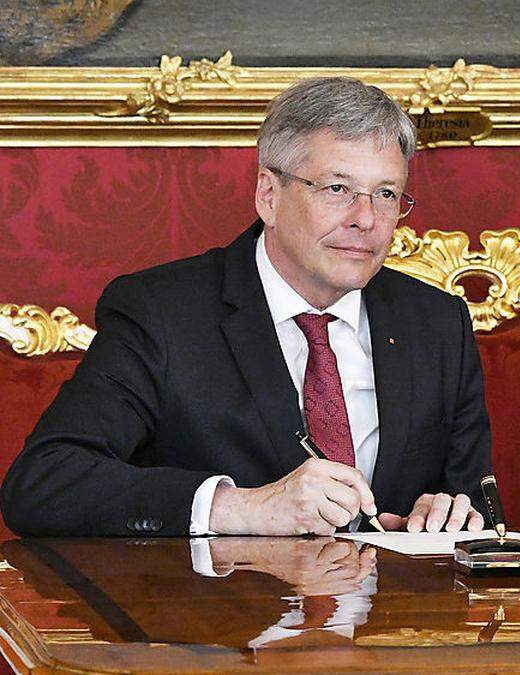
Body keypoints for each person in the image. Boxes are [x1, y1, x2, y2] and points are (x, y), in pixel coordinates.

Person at [0, 77, 491, 536]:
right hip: (219, 619)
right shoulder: (162, 313)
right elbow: (43, 481)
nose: (366, 219)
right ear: (268, 196)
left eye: (386, 194)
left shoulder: (437, 323)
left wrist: (447, 515)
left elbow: (480, 510)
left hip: (392, 620)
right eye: (338, 189)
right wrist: (244, 506)